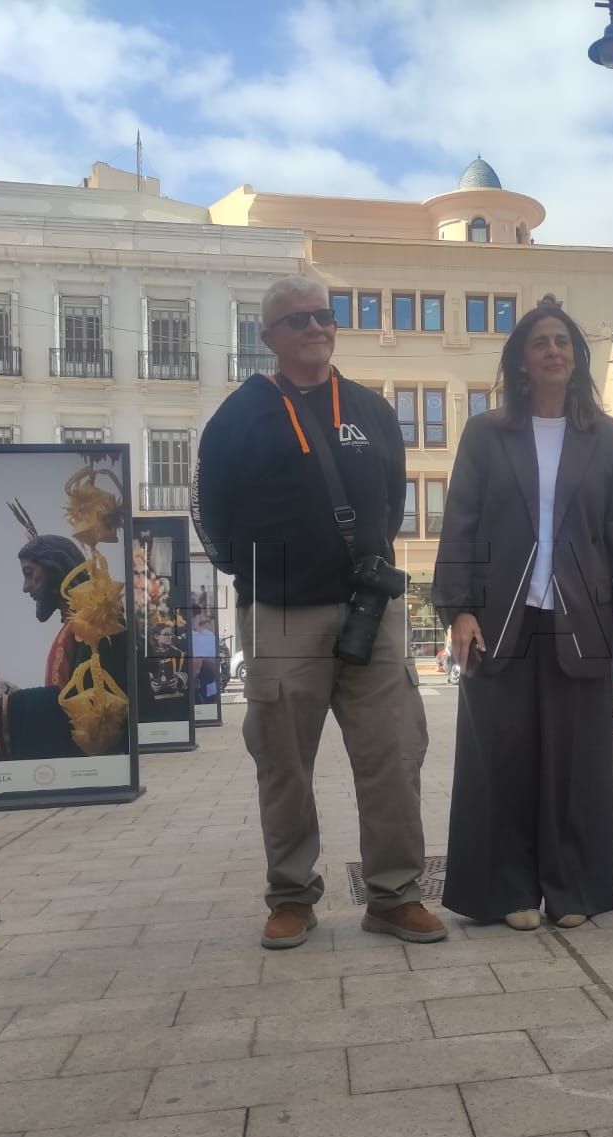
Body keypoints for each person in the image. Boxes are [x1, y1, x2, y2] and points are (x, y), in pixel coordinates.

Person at [194, 275, 444, 949]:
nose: (313, 328)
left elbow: (390, 504)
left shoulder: (370, 408)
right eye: (296, 320)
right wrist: (258, 575)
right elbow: (211, 518)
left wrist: (358, 560)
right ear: (269, 336)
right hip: (279, 609)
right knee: (282, 758)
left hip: (370, 605)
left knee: (394, 750)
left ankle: (394, 894)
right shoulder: (238, 416)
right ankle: (292, 895)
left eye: (322, 317)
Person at [434, 302, 613, 929]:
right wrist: (458, 610)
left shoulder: (607, 439)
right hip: (501, 619)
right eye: (541, 342)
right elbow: (460, 526)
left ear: (577, 356)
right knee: (499, 758)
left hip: (578, 619)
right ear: (521, 360)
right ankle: (509, 892)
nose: (554, 349)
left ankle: (573, 890)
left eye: (563, 341)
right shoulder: (486, 433)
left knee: (577, 761)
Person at [0, 519, 128, 761]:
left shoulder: (97, 620)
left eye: (29, 573)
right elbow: (65, 695)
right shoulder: (74, 626)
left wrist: (7, 710)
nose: (25, 587)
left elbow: (92, 705)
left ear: (55, 567)